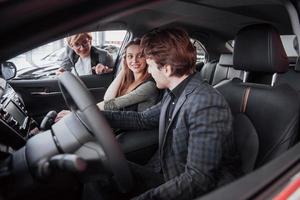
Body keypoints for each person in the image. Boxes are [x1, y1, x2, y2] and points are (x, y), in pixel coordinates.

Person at [101, 27, 242, 200]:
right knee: (100, 169)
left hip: (190, 187)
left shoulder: (206, 103)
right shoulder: (174, 91)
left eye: (151, 65)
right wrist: (97, 116)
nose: (150, 71)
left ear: (167, 69)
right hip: (165, 173)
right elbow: (142, 119)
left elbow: (198, 179)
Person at [97, 38, 159, 112]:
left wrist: (89, 110)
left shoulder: (149, 86)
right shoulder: (129, 80)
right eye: (130, 56)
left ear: (147, 58)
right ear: (125, 59)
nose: (134, 60)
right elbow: (107, 98)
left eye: (140, 56)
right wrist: (123, 70)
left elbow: (111, 104)